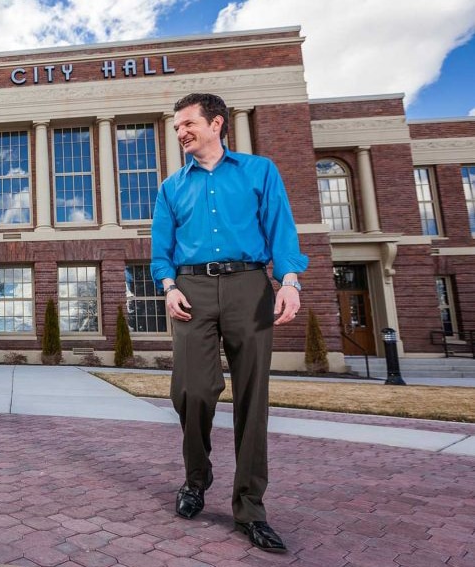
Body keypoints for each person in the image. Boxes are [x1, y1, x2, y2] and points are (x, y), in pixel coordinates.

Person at [151, 93, 308, 553]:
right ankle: (197, 478)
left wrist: (290, 281)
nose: (180, 132)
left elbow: (281, 227)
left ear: (216, 123)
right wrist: (168, 286)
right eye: (177, 127)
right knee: (192, 390)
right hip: (191, 290)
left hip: (249, 286)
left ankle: (250, 508)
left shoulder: (260, 171)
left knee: (252, 398)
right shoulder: (171, 186)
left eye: (187, 124)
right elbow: (161, 247)